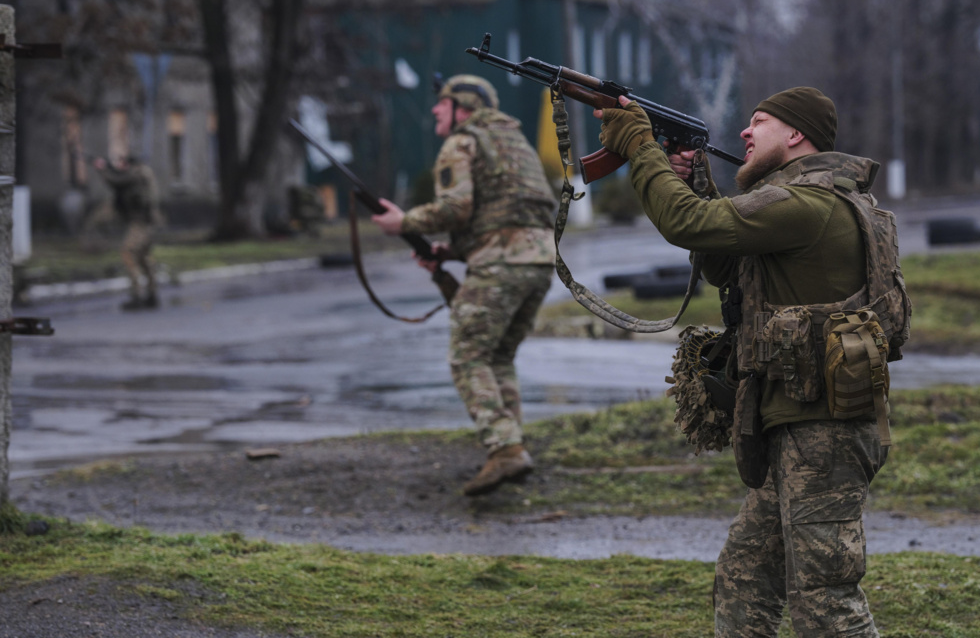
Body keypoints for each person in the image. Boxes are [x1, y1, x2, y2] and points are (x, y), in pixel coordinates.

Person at [595, 87, 910, 637]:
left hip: (823, 436)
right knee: (743, 579)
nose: (744, 132)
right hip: (800, 426)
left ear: (794, 135)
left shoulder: (803, 205)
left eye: (759, 122)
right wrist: (693, 180)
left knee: (826, 604)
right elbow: (723, 264)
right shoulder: (800, 204)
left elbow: (688, 225)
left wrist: (639, 144)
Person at [371, 74, 557, 496]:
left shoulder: (463, 141)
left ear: (464, 109)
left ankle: (506, 448)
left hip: (502, 263)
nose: (436, 109)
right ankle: (512, 446)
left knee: (467, 358)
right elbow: (508, 213)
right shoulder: (514, 143)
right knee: (498, 356)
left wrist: (405, 223)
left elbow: (455, 208)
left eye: (443, 103)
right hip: (540, 262)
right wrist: (448, 256)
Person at [92, 155, 162, 310]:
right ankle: (152, 295)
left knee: (128, 253)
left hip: (142, 223)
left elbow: (117, 181)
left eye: (122, 164)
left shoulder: (137, 173)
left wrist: (102, 169)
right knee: (143, 258)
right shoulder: (142, 173)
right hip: (147, 223)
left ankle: (137, 295)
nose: (120, 166)